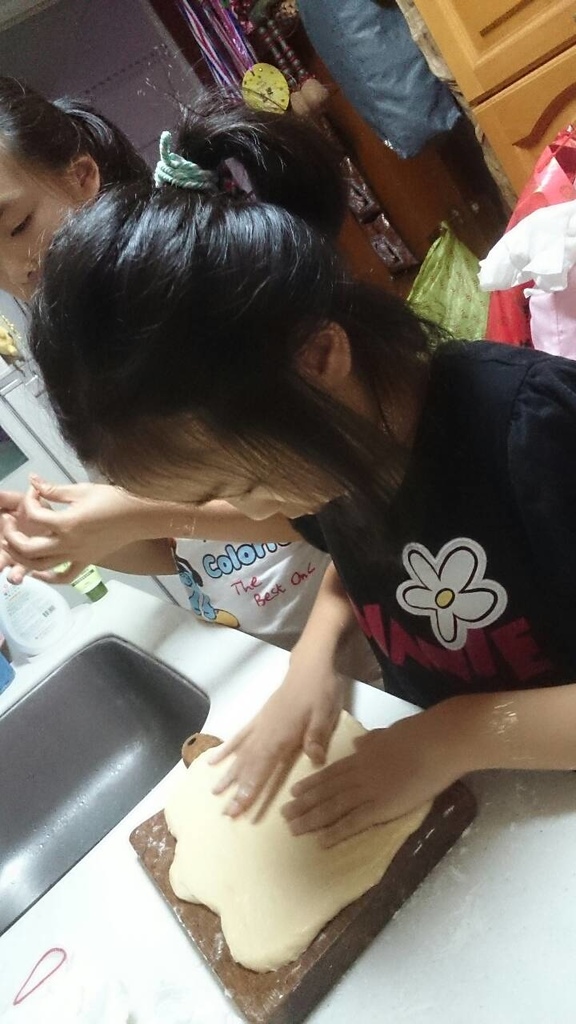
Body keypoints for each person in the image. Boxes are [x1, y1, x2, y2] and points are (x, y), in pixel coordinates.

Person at [32, 101, 576, 850]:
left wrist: (454, 735)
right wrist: (313, 660)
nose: (257, 512)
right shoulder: (331, 448)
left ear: (318, 357)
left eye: (244, 488)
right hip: (495, 811)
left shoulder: (532, 433)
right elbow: (361, 565)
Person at [0, 78, 380, 671]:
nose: (13, 268)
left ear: (81, 176)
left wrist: (132, 513)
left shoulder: (196, 294)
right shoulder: (81, 359)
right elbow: (180, 546)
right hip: (262, 652)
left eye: (18, 226)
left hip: (360, 627)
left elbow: (321, 500)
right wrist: (72, 538)